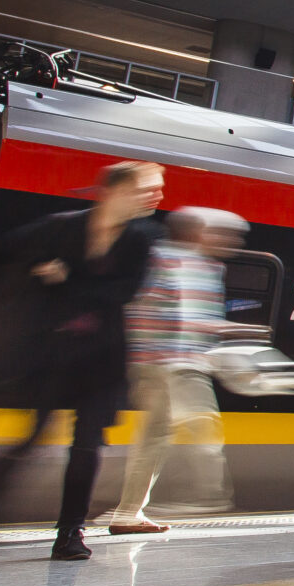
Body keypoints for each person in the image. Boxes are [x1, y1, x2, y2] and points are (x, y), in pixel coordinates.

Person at [0, 162, 164, 562]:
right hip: (53, 355)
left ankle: (70, 532)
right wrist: (40, 276)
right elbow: (2, 250)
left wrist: (65, 279)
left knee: (87, 446)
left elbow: (125, 291)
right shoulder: (61, 226)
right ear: (116, 190)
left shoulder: (142, 239)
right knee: (33, 436)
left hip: (102, 362)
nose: (157, 197)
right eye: (147, 189)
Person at [107, 207, 244, 534]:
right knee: (202, 425)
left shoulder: (200, 265)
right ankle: (201, 496)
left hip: (159, 363)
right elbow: (174, 315)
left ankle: (129, 512)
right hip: (170, 365)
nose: (229, 241)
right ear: (198, 233)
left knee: (153, 439)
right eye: (221, 234)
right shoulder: (173, 262)